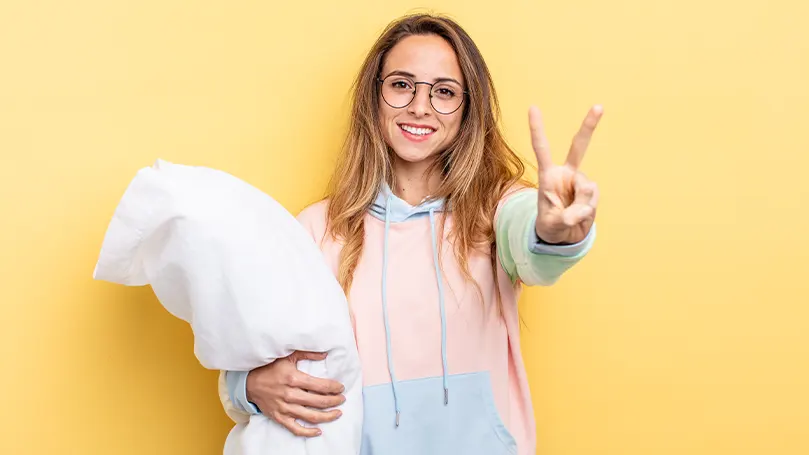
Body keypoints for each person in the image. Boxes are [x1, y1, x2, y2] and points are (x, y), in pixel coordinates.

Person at [218, 13, 602, 455]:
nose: (420, 107)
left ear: (467, 109)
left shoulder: (495, 210)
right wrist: (245, 386)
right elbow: (256, 353)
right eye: (402, 85)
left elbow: (536, 246)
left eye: (444, 92)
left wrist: (555, 233)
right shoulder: (317, 228)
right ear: (374, 96)